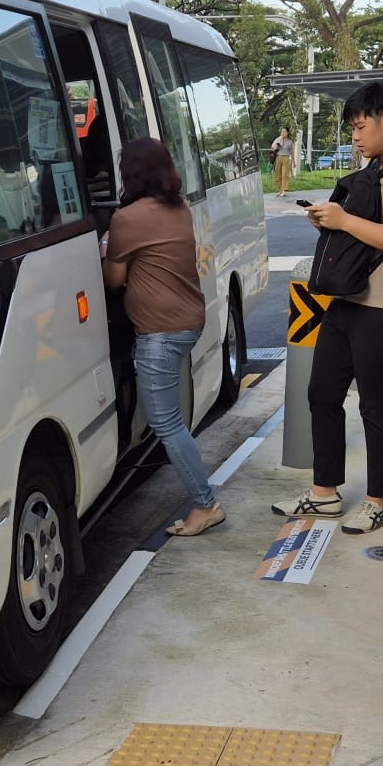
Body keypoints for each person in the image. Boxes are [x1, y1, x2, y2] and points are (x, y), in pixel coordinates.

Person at [274, 80, 383, 535]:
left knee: (375, 404)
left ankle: (377, 498)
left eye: (361, 127)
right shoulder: (376, 171)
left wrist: (346, 219)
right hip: (349, 300)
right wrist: (333, 221)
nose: (357, 137)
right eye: (352, 130)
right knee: (321, 394)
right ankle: (324, 493)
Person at [103, 138, 223, 539]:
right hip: (188, 321)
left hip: (160, 333)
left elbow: (114, 279)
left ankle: (206, 505)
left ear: (130, 174)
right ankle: (205, 502)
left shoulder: (127, 219)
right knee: (171, 419)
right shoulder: (180, 207)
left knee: (167, 423)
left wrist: (109, 251)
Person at [271, 125, 295, 195]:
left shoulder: (290, 142)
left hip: (286, 158)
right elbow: (273, 149)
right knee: (277, 174)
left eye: (284, 131)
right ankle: (279, 189)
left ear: (287, 133)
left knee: (284, 175)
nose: (283, 133)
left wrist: (294, 161)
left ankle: (283, 190)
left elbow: (292, 152)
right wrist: (277, 147)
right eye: (282, 131)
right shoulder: (278, 140)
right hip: (278, 157)